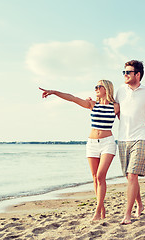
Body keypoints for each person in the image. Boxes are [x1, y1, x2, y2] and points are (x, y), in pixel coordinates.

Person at [39, 80, 119, 221]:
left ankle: (97, 211)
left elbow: (129, 118)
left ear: (106, 89)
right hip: (92, 144)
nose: (96, 89)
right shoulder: (92, 104)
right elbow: (72, 98)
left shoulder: (116, 106)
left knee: (100, 176)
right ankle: (102, 209)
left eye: (98, 86)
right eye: (95, 86)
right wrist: (54, 92)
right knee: (95, 178)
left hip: (108, 143)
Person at [115, 60, 145, 224]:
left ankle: (127, 214)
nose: (125, 75)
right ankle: (140, 204)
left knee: (132, 175)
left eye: (128, 72)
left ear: (137, 74)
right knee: (130, 177)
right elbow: (115, 110)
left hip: (141, 137)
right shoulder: (119, 91)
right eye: (123, 72)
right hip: (123, 138)